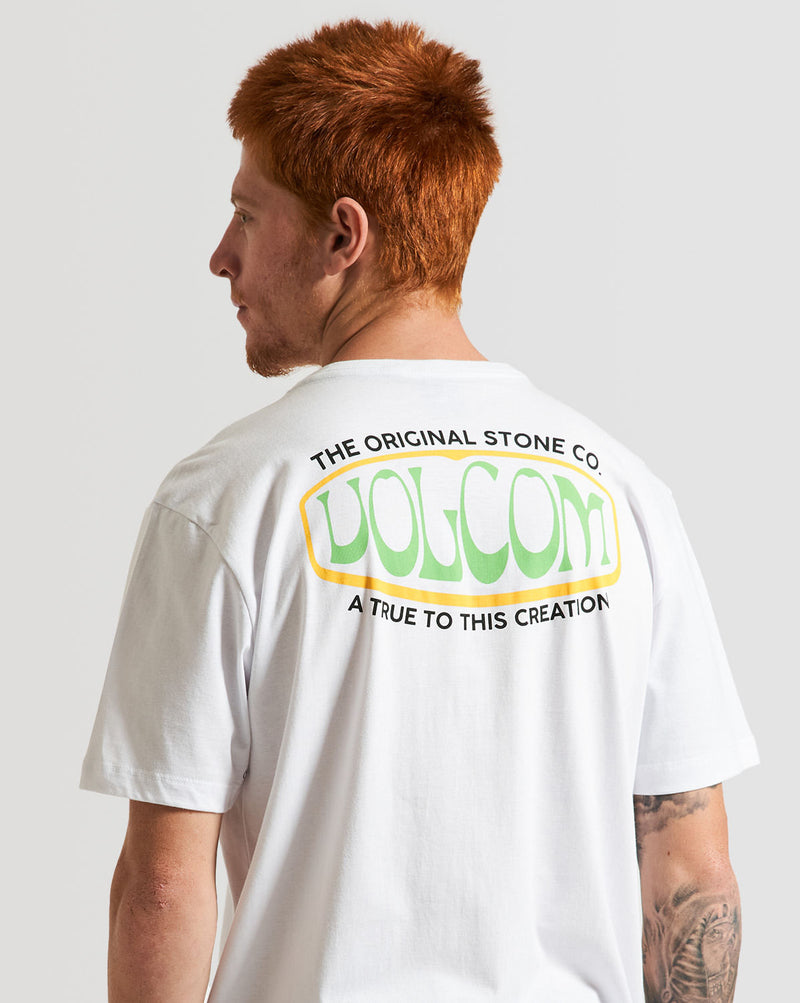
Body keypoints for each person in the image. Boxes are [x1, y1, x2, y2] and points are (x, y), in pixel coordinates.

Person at [80, 18, 759, 1003]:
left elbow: (162, 886)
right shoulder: (625, 496)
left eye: (247, 214)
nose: (221, 256)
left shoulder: (226, 497)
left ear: (342, 235)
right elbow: (693, 873)